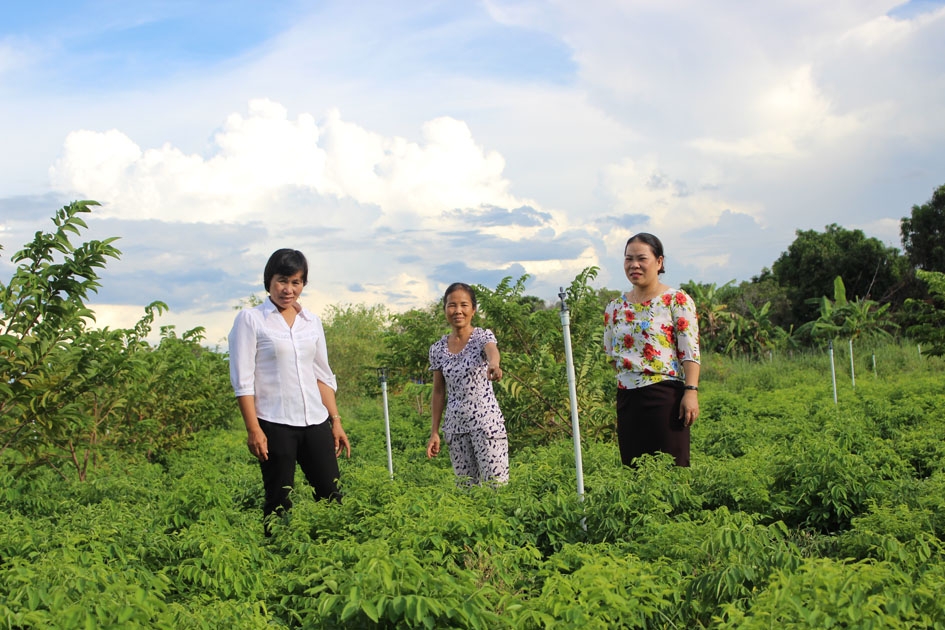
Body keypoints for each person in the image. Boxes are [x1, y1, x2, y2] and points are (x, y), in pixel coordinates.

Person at [228, 248, 351, 535]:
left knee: (331, 494)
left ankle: (333, 555)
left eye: (296, 282)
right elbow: (243, 380)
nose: (288, 289)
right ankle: (276, 562)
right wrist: (254, 429)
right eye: (283, 280)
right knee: (278, 501)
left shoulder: (312, 322)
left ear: (303, 285)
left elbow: (322, 374)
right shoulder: (252, 319)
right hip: (275, 423)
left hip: (315, 421)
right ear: (269, 280)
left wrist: (335, 420)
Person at [603, 233, 701, 467]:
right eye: (628, 259)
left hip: (665, 396)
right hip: (627, 397)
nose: (634, 265)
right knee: (634, 470)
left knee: (671, 469)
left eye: (641, 258)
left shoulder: (676, 300)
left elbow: (690, 351)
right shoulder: (615, 307)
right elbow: (611, 353)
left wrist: (691, 392)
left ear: (659, 262)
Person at [426, 282, 509, 486]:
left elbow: (492, 351)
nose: (458, 311)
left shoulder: (482, 336)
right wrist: (434, 431)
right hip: (456, 428)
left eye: (464, 305)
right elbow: (438, 392)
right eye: (452, 305)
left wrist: (494, 365)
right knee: (466, 489)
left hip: (486, 425)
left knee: (496, 487)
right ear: (445, 309)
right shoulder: (437, 349)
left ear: (473, 309)